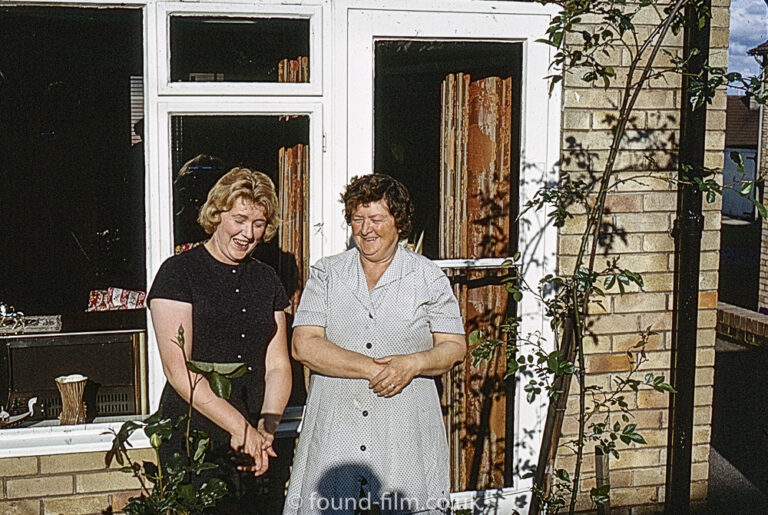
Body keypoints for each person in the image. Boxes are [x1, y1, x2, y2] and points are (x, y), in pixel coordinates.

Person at [284, 174, 467, 514]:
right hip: (337, 430)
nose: (366, 229)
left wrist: (412, 364)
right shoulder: (327, 274)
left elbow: (453, 346)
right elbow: (303, 345)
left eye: (377, 219)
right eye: (358, 218)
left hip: (404, 432)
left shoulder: (428, 278)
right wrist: (377, 369)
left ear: (398, 222)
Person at [147, 167, 292, 509]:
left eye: (258, 223)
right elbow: (179, 371)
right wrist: (241, 430)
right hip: (194, 437)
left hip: (255, 438)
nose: (248, 233)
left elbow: (278, 365)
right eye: (239, 219)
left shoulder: (267, 279)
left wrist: (265, 429)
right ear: (217, 214)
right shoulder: (178, 273)